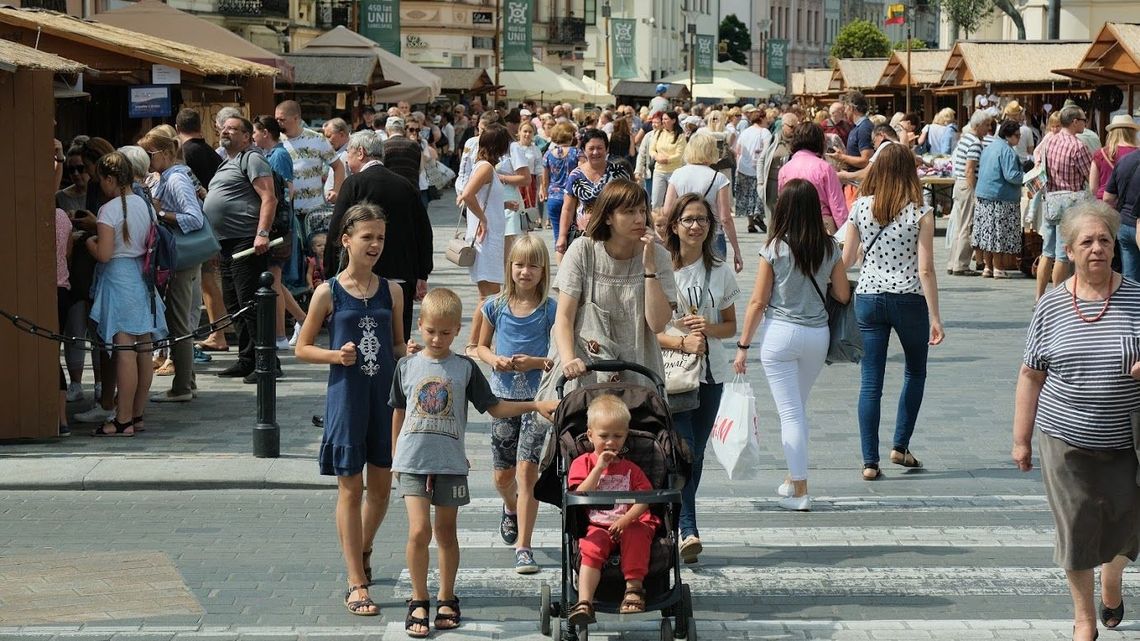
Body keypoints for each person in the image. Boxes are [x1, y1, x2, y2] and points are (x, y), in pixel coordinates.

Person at [390, 288, 557, 638]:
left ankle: (447, 596)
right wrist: (395, 458)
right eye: (431, 330)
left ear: (457, 331)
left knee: (446, 533)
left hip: (450, 463)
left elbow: (495, 407)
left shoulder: (464, 368)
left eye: (446, 332)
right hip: (412, 462)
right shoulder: (406, 365)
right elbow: (399, 411)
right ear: (420, 326)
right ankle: (418, 599)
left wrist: (533, 406)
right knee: (419, 530)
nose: (437, 338)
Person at [1012, 200, 1140, 641]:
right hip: (1064, 439)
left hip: (1128, 441)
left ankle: (1113, 576)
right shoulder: (1050, 306)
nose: (1098, 249)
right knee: (1077, 525)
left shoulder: (1137, 298)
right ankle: (1084, 619)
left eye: (1105, 240)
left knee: (1129, 524)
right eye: (1087, 241)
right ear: (1069, 249)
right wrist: (1021, 440)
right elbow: (1030, 375)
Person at [295, 202, 405, 618]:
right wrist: (333, 356)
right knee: (350, 488)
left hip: (385, 396)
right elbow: (302, 347)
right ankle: (356, 580)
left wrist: (408, 352)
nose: (375, 244)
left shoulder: (392, 290)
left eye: (380, 237)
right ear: (347, 240)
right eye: (367, 237)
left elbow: (396, 344)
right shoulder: (328, 292)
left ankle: (362, 547)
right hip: (345, 395)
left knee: (380, 488)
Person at [735, 179, 850, 510]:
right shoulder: (829, 247)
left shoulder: (774, 248)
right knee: (796, 409)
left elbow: (758, 301)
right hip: (817, 336)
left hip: (780, 335)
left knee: (790, 413)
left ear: (783, 208)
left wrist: (743, 346)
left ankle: (800, 489)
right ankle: (792, 478)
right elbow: (842, 295)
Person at [842, 144, 944, 480]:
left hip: (869, 296)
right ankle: (900, 445)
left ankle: (869, 461)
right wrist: (935, 316)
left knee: (870, 381)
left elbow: (846, 260)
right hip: (908, 297)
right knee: (915, 372)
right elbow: (926, 268)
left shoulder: (860, 207)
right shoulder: (920, 212)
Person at [658, 193, 739, 559]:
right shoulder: (661, 267)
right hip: (673, 372)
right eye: (688, 219)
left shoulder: (720, 269)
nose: (696, 226)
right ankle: (687, 529)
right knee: (684, 448)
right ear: (675, 225)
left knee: (698, 453)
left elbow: (730, 327)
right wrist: (680, 341)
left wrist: (708, 327)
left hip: (711, 372)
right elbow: (647, 327)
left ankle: (673, 521)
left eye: (703, 220)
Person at [543, 179, 676, 397]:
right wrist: (568, 361)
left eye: (642, 211)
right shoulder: (583, 251)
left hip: (639, 370)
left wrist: (650, 268)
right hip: (586, 369)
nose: (639, 218)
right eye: (629, 212)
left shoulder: (659, 256)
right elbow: (564, 317)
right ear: (607, 217)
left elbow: (658, 323)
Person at [476, 235, 557, 574]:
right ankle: (509, 507)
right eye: (519, 264)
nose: (525, 272)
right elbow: (477, 346)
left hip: (538, 401)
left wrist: (536, 363)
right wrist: (494, 360)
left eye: (533, 265)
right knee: (501, 476)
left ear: (543, 270)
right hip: (503, 400)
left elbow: (559, 356)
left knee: (527, 472)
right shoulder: (495, 305)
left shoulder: (550, 309)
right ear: (509, 267)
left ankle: (524, 546)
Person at [86, 152, 168, 437]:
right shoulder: (143, 206)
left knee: (124, 352)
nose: (101, 187)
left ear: (110, 179)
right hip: (141, 278)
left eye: (101, 181)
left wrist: (89, 243)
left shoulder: (108, 210)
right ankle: (137, 413)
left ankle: (122, 420)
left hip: (119, 279)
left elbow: (105, 254)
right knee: (143, 348)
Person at [325, 130, 433, 343]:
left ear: (361, 152)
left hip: (360, 279)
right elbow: (424, 230)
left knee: (361, 342)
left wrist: (329, 271)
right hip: (401, 275)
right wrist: (422, 273)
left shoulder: (353, 184)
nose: (346, 158)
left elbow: (337, 231)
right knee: (396, 342)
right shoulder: (405, 185)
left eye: (348, 152)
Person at [565, 394, 659, 624]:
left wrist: (627, 519)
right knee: (590, 547)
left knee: (636, 534)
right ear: (590, 435)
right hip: (597, 525)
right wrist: (598, 468)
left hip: (631, 521)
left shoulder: (631, 469)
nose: (610, 442)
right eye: (604, 436)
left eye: (617, 436)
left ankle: (634, 589)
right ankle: (585, 601)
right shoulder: (583, 463)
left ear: (626, 435)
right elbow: (578, 493)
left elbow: (645, 499)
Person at [203, 116, 280, 382]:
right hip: (226, 243)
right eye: (223, 128)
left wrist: (262, 233)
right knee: (235, 304)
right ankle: (247, 359)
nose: (225, 131)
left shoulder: (252, 158)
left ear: (247, 136)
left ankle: (267, 363)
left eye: (233, 129)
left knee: (250, 303)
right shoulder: (227, 161)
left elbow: (269, 197)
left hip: (246, 241)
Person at [137, 131, 207, 403]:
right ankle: (187, 382)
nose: (147, 160)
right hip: (180, 257)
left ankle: (181, 388)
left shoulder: (176, 177)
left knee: (179, 324)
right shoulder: (168, 176)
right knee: (179, 322)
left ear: (166, 153)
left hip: (182, 257)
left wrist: (159, 212)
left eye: (150, 154)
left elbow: (194, 218)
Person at [251, 116, 307, 350]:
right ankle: (303, 320)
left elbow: (286, 191)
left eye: (255, 132)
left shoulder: (279, 155)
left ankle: (280, 335)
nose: (253, 136)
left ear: (265, 132)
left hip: (278, 226)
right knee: (274, 279)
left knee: (273, 278)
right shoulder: (270, 155)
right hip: (276, 225)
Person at [459, 125, 512, 354]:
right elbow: (467, 195)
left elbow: (478, 197)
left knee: (491, 294)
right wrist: (483, 219)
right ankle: (474, 344)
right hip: (486, 239)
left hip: (488, 237)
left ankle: (481, 343)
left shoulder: (485, 167)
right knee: (488, 295)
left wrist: (502, 205)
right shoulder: (486, 168)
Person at [662, 132, 744, 272]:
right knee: (713, 284)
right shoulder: (719, 178)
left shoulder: (677, 174)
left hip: (684, 233)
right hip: (712, 235)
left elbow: (667, 211)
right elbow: (725, 218)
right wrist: (737, 250)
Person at [1038, 106, 1095, 300]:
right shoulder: (1077, 146)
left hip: (1051, 200)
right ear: (1074, 122)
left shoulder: (1048, 141)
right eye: (1083, 119)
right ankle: (1058, 298)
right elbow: (1090, 175)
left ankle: (1039, 297)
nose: (1085, 123)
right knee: (1062, 255)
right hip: (1070, 202)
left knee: (1047, 252)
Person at [557, 130, 631, 259]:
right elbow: (567, 209)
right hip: (583, 236)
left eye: (600, 148)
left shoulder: (619, 173)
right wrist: (562, 236)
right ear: (584, 150)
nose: (595, 152)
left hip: (614, 236)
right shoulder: (575, 175)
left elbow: (631, 203)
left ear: (607, 149)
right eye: (591, 148)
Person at [275, 100, 344, 235]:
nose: (278, 123)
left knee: (315, 251)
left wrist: (336, 190)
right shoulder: (275, 140)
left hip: (313, 211)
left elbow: (338, 166)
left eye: (282, 119)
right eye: (276, 119)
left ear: (296, 118)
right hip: (285, 212)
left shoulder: (317, 139)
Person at [973, 121, 1025, 279]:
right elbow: (1011, 175)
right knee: (999, 234)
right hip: (1001, 198)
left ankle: (988, 267)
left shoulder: (989, 147)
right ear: (1008, 135)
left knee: (988, 234)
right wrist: (1027, 176)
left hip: (984, 196)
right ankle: (998, 267)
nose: (1019, 138)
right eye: (1017, 135)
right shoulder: (1007, 151)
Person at [778, 122, 849, 235]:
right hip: (821, 225)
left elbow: (782, 202)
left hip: (793, 225)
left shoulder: (785, 169)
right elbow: (837, 205)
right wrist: (845, 233)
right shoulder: (825, 168)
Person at [946, 110, 994, 276]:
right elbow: (970, 170)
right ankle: (961, 264)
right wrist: (975, 192)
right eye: (986, 125)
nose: (988, 129)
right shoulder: (974, 143)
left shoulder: (964, 138)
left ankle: (953, 263)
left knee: (959, 226)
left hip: (959, 184)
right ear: (978, 125)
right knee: (967, 226)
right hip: (967, 185)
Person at [1105, 119, 1140, 283]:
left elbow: (1108, 197)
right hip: (1134, 222)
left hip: (1124, 223)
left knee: (1130, 277)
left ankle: (1131, 307)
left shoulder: (1125, 160)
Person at [541, 122, 579, 246]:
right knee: (573, 235)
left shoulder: (548, 154)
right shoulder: (576, 153)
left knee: (558, 235)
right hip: (572, 198)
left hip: (554, 197)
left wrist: (544, 191)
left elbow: (545, 179)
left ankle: (561, 264)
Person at [734, 109, 771, 233]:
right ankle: (758, 216)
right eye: (766, 118)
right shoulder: (765, 132)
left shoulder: (745, 132)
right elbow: (768, 150)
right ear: (761, 118)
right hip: (757, 168)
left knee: (747, 195)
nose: (767, 121)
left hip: (743, 167)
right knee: (758, 195)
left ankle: (750, 223)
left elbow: (738, 150)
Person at [1090, 114, 1139, 201]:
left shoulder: (1100, 154)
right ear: (1133, 132)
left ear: (1111, 133)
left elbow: (1093, 188)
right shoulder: (1137, 154)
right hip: (1130, 206)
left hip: (1104, 206)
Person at [649, 110, 686, 209]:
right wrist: (656, 157)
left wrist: (667, 160)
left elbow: (679, 154)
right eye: (663, 119)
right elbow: (652, 149)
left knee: (672, 203)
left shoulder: (680, 136)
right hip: (659, 171)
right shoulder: (658, 133)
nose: (663, 121)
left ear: (673, 120)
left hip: (674, 172)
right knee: (656, 201)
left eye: (666, 119)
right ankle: (656, 222)